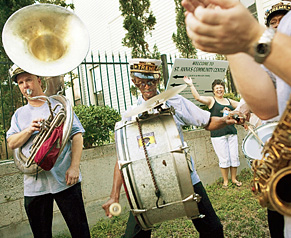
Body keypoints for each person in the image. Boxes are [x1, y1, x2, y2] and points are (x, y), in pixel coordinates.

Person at [181, 0, 291, 237]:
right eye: (274, 25)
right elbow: (266, 105)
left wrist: (251, 33)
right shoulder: (269, 41)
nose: (279, 27)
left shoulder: (267, 38)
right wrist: (232, 43)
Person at [102, 58, 244, 238]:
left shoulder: (175, 101)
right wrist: (114, 195)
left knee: (213, 229)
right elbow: (122, 159)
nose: (147, 87)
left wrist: (225, 119)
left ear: (158, 79)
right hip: (147, 183)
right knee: (135, 235)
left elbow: (206, 121)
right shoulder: (130, 116)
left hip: (184, 176)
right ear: (135, 82)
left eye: (151, 81)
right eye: (142, 83)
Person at [6, 65, 91, 238]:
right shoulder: (19, 114)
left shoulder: (59, 105)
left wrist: (74, 167)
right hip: (34, 186)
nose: (25, 86)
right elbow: (11, 143)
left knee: (80, 231)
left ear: (39, 80)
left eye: (28, 80)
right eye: (20, 83)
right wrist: (29, 130)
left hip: (64, 179)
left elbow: (77, 135)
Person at [184, 76, 241, 188]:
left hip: (231, 132)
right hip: (218, 134)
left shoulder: (229, 101)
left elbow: (241, 106)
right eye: (217, 88)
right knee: (224, 158)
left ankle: (234, 179)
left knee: (234, 156)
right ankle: (225, 181)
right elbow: (198, 98)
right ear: (213, 90)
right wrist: (191, 85)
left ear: (224, 89)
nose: (219, 90)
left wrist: (232, 111)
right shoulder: (211, 100)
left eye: (221, 88)